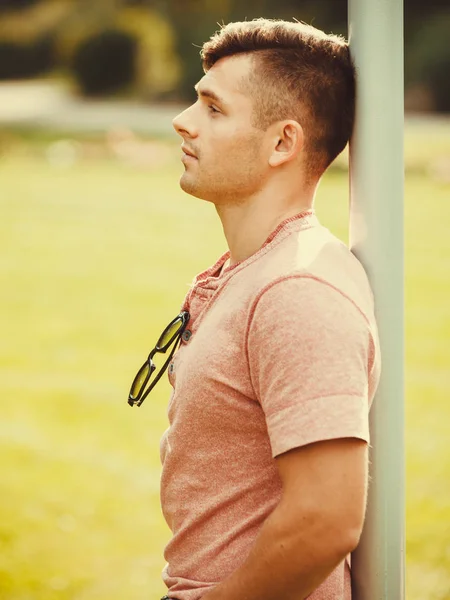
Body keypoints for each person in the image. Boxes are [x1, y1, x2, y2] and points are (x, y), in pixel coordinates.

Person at [133, 17, 381, 600]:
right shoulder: (256, 270)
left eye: (213, 109)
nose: (182, 121)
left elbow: (326, 519)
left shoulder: (297, 290)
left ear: (282, 143)